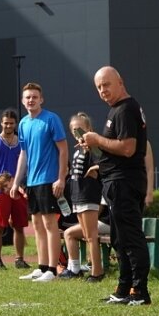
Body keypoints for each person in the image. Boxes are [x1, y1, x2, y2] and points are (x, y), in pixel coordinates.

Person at [81, 66, 151, 306]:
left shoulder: (125, 109)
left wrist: (96, 139)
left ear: (120, 82)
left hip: (124, 183)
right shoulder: (119, 110)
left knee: (130, 237)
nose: (103, 91)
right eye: (99, 87)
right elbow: (121, 151)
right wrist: (101, 164)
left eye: (106, 84)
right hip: (116, 180)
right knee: (119, 238)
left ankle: (139, 292)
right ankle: (124, 289)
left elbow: (128, 148)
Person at [12, 82, 68, 282]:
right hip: (33, 182)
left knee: (49, 223)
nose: (31, 100)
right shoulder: (23, 124)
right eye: (27, 97)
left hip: (49, 179)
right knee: (36, 224)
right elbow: (23, 155)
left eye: (34, 97)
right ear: (22, 100)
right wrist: (16, 181)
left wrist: (61, 178)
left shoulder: (51, 119)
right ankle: (42, 266)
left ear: (41, 99)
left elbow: (63, 149)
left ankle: (52, 270)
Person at [60, 112, 103, 280]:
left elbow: (105, 163)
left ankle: (97, 272)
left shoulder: (93, 149)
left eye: (81, 129)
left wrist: (94, 168)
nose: (77, 132)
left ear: (89, 129)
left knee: (92, 236)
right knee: (86, 235)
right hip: (78, 197)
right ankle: (83, 269)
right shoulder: (77, 150)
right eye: (74, 129)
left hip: (89, 196)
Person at [0, 109, 30, 270]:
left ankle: (19, 259)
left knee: (19, 226)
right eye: (6, 123)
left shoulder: (22, 142)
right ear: (1, 123)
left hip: (17, 189)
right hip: (0, 191)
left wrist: (24, 186)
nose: (8, 126)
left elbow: (27, 165)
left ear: (15, 124)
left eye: (11, 123)